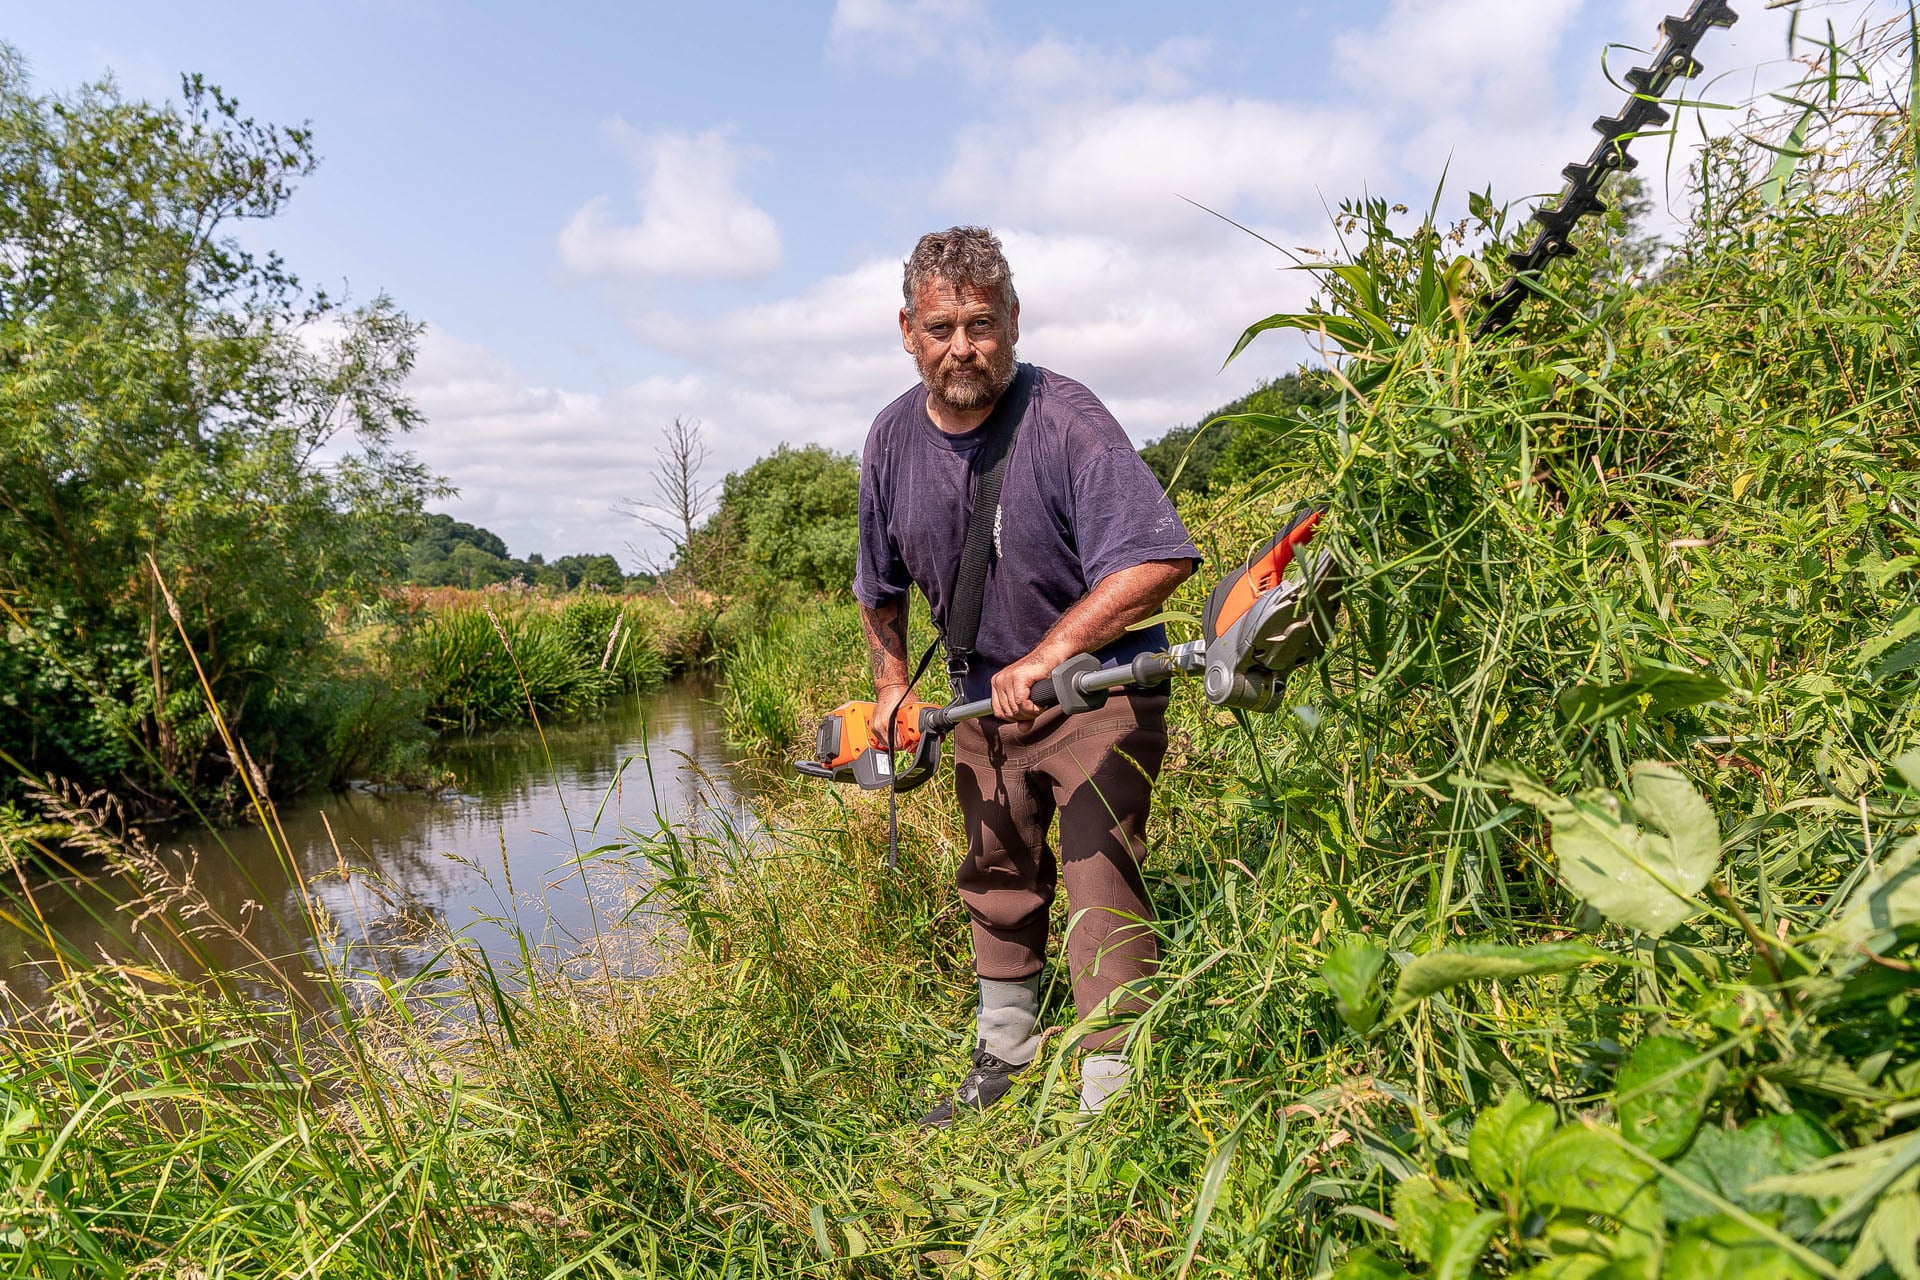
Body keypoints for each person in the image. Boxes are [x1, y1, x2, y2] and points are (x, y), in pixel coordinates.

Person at [853, 226, 1200, 1125]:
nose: (961, 347)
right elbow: (878, 590)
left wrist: (1051, 656)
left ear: (1013, 320)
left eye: (980, 323)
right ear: (907, 331)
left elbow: (1157, 560)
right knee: (995, 870)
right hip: (980, 698)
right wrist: (892, 689)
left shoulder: (1067, 418)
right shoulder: (890, 440)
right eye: (940, 328)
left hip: (1097, 690)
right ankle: (1004, 1051)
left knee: (1098, 875)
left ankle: (1110, 1096)